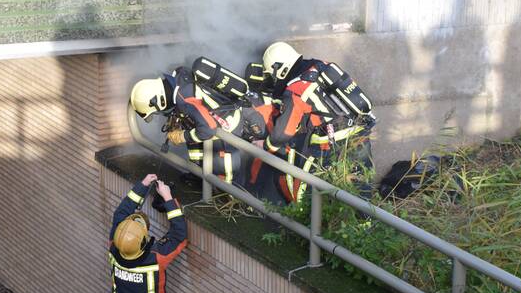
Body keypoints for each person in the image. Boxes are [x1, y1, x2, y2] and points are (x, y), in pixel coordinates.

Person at [260, 41, 376, 203]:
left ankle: (307, 223)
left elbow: (283, 133)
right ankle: (365, 224)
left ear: (279, 69)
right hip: (359, 131)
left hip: (329, 143)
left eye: (272, 76)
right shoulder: (321, 66)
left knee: (305, 188)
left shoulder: (297, 89)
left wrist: (265, 146)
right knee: (361, 182)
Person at [130, 67, 243, 185]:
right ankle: (199, 173)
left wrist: (182, 136)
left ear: (160, 100)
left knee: (223, 162)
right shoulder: (177, 82)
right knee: (191, 134)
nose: (159, 114)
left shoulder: (184, 100)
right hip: (211, 119)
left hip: (226, 125)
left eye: (156, 111)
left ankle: (228, 191)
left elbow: (208, 131)